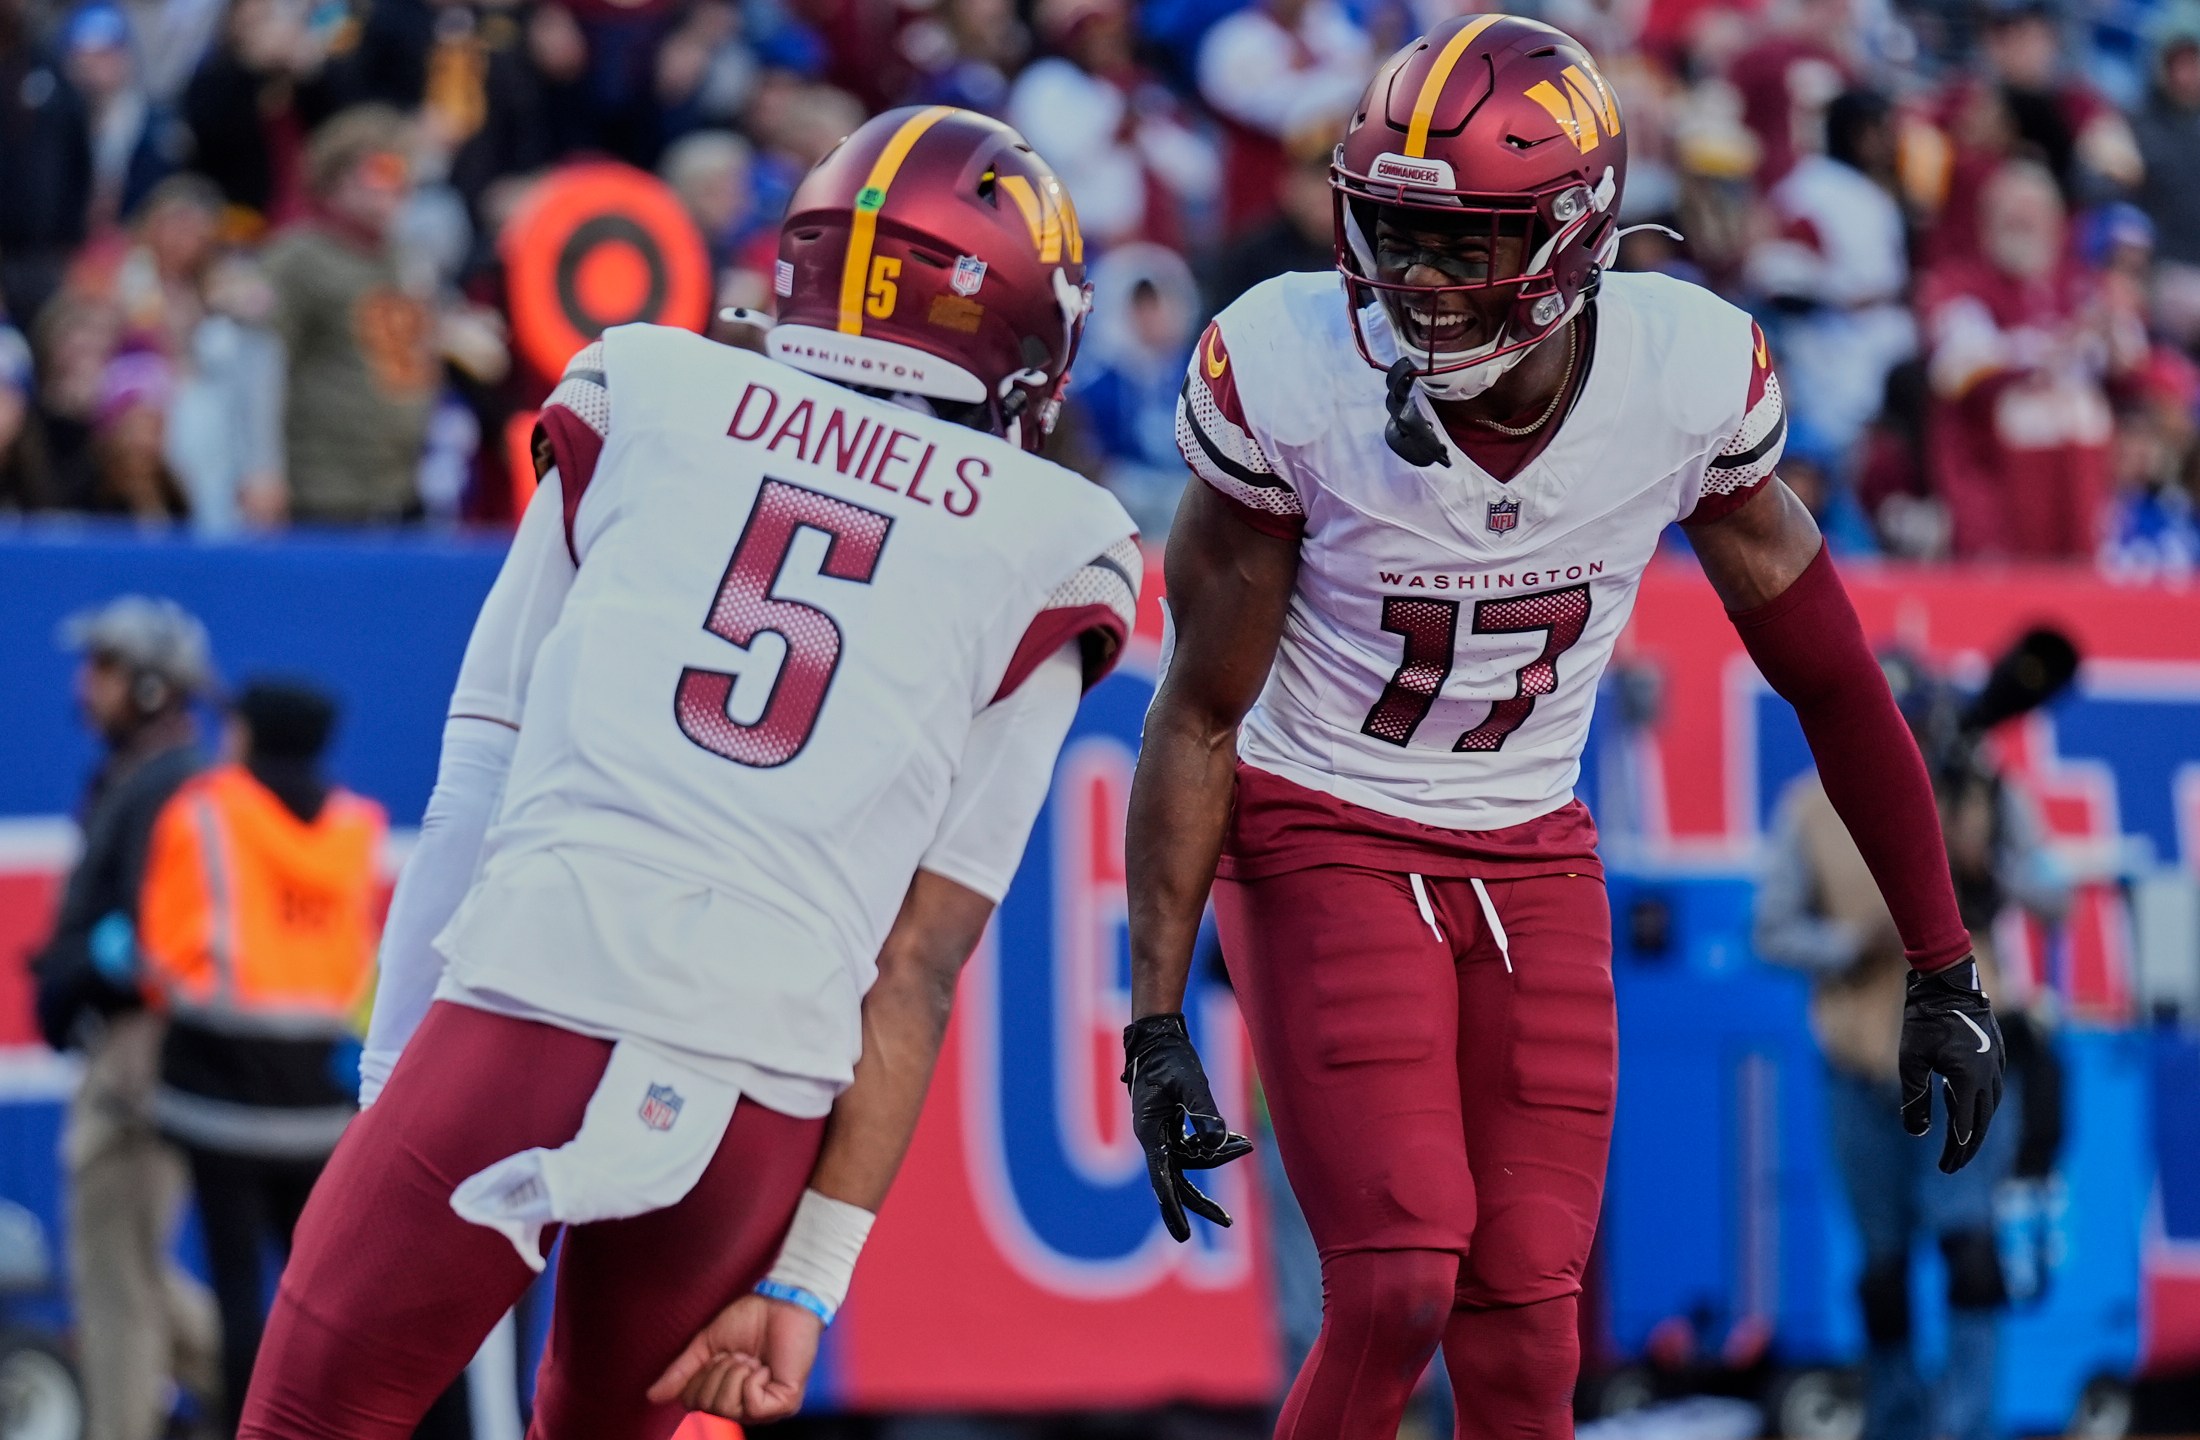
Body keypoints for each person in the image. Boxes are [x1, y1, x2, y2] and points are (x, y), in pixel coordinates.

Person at [1119, 18, 2006, 1440]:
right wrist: (1155, 1017)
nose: (1410, 284)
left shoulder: (1680, 375)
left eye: (1455, 247)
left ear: (1573, 235)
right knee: (1400, 1279)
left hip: (1533, 848)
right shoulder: (1292, 370)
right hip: (1326, 828)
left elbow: (1835, 682)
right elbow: (1201, 712)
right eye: (1390, 234)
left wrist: (1940, 960)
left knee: (1532, 1329)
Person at [240, 105, 1139, 1436]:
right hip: (759, 1087)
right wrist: (812, 1276)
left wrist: (397, 1085)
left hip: (536, 998)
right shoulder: (1059, 538)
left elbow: (479, 759)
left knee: (310, 1421)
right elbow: (921, 964)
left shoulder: (651, 387)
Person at [1757, 638, 2074, 1440]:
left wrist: (1989, 861)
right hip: (1862, 1063)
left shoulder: (1979, 788)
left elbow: (2054, 896)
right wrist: (1848, 944)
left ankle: (1965, 1423)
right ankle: (1897, 1421)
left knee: (1968, 1246)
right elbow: (1770, 929)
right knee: (1883, 1266)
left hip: (1960, 1053)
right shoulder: (1809, 808)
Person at [137, 679, 385, 1437]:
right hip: (318, 1101)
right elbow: (359, 964)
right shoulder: (354, 827)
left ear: (249, 735)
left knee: (239, 1289)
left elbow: (162, 958)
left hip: (219, 1096)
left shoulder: (204, 812)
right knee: (316, 1296)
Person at [30, 595, 221, 1440]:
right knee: (133, 1274)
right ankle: (285, 1384)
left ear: (150, 685)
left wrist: (96, 966)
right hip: (131, 1047)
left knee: (116, 1286)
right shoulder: (147, 778)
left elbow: (159, 941)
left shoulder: (169, 786)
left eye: (105, 667)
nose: (86, 684)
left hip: (139, 1054)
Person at [261, 104, 439, 525]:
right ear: (336, 180)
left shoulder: (405, 261)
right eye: (378, 173)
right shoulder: (298, 257)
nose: (392, 189)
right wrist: (262, 470)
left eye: (400, 175)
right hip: (323, 487)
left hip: (402, 483)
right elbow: (262, 365)